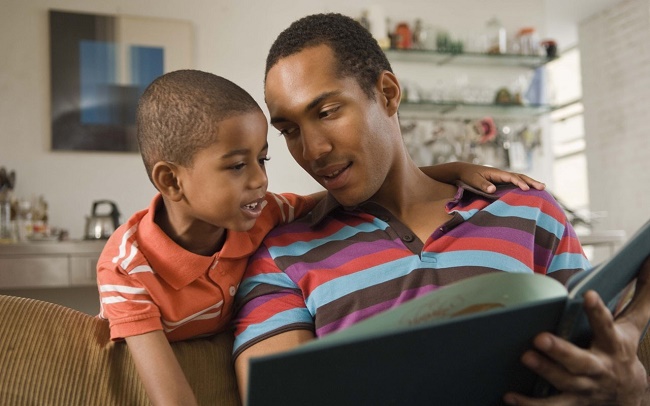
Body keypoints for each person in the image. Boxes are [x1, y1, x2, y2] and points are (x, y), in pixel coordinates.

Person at [232, 13, 650, 405]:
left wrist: (630, 390)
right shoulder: (280, 256)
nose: (312, 150)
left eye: (326, 112)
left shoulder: (530, 209)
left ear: (388, 94)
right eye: (289, 131)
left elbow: (605, 363)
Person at [96, 69, 540, 405]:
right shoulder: (126, 269)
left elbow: (353, 189)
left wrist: (454, 173)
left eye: (263, 160)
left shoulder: (266, 213)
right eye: (236, 166)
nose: (259, 181)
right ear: (171, 182)